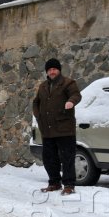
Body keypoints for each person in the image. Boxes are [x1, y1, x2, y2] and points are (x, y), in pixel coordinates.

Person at [32, 58, 82, 195]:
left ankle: (69, 185)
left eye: (54, 69)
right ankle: (54, 183)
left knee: (67, 159)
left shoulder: (68, 83)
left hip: (65, 128)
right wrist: (38, 116)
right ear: (47, 72)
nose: (52, 72)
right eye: (49, 70)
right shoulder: (42, 87)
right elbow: (36, 103)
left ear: (59, 70)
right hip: (47, 129)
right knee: (49, 159)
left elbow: (76, 94)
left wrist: (71, 102)